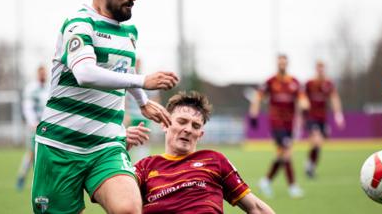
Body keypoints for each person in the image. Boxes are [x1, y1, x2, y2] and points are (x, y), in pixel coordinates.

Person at [31, 0, 179, 214]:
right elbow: (85, 73)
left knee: (130, 209)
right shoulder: (79, 24)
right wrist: (144, 81)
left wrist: (142, 101)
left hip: (106, 146)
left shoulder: (129, 32)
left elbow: (122, 68)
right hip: (60, 148)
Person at [134, 91, 275, 214]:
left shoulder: (214, 160)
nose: (188, 129)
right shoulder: (145, 167)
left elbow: (256, 208)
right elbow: (118, 203)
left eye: (195, 126)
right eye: (182, 122)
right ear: (165, 124)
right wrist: (120, 145)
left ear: (200, 134)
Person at [248, 54, 306, 198]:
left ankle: (266, 181)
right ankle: (292, 186)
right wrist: (254, 114)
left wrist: (305, 107)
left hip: (290, 125)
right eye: (280, 63)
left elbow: (303, 100)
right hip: (276, 124)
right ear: (277, 64)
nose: (282, 65)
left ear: (287, 64)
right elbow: (257, 98)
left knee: (281, 155)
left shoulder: (294, 82)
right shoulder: (270, 81)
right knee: (286, 153)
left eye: (284, 63)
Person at [303, 60, 345, 178]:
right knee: (316, 141)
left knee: (318, 145)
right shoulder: (309, 83)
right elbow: (302, 98)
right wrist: (302, 114)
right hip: (311, 117)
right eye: (318, 68)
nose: (320, 70)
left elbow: (334, 98)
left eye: (322, 68)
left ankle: (310, 165)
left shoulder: (328, 83)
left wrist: (338, 115)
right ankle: (310, 166)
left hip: (323, 118)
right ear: (316, 69)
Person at [16, 65, 49, 191]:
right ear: (37, 74)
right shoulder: (31, 89)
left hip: (47, 127)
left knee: (46, 153)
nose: (43, 75)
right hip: (35, 127)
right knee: (32, 153)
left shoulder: (49, 88)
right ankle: (22, 176)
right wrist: (33, 123)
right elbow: (28, 108)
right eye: (41, 73)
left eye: (45, 73)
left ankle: (43, 181)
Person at [124, 59, 161, 162]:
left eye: (138, 63)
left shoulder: (147, 80)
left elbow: (155, 97)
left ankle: (143, 162)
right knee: (128, 139)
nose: (137, 65)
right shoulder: (127, 80)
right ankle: (126, 161)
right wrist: (126, 114)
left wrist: (155, 112)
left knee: (144, 140)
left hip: (144, 116)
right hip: (131, 116)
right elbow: (124, 99)